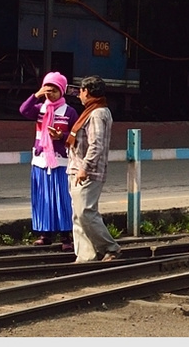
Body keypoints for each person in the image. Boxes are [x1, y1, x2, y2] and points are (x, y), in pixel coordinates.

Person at [65, 75, 122, 262]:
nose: (79, 95)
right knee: (78, 216)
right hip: (77, 168)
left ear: (86, 92)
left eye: (80, 91)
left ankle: (110, 247)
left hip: (88, 171)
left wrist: (85, 168)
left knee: (85, 213)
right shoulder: (92, 111)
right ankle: (85, 256)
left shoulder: (97, 113)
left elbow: (96, 144)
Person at [20, 72, 77, 249]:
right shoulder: (40, 109)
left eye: (53, 90)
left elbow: (76, 136)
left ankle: (66, 237)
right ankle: (45, 234)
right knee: (42, 198)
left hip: (60, 162)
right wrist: (36, 95)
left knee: (62, 199)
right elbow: (23, 110)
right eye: (47, 89)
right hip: (41, 160)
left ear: (61, 91)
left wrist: (61, 136)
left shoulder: (69, 112)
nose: (49, 93)